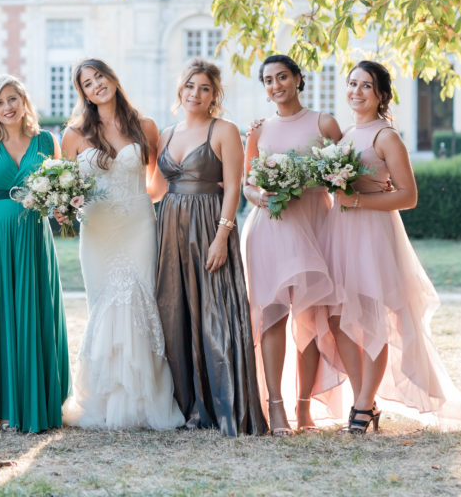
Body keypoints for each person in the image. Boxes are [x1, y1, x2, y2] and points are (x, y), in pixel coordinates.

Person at [325, 60, 461, 434]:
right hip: (339, 231)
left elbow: (409, 196)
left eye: (366, 85)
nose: (356, 91)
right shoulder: (346, 134)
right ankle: (366, 399)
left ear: (381, 95)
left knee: (372, 319)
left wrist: (358, 200)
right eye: (352, 83)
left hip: (372, 233)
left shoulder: (386, 137)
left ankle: (362, 405)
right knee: (337, 317)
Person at [60, 59, 183, 430]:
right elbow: (66, 189)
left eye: (100, 76)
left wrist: (132, 201)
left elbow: (157, 185)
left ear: (112, 78)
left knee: (139, 301)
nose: (96, 84)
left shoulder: (145, 126)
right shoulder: (74, 134)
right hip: (98, 230)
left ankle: (145, 401)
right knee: (104, 305)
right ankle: (103, 401)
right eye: (87, 82)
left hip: (137, 226)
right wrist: (67, 208)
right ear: (83, 93)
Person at [154, 59, 266, 436]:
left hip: (209, 226)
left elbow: (233, 187)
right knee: (175, 313)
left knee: (215, 313)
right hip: (170, 228)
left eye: (204, 88)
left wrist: (222, 236)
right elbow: (155, 188)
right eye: (190, 86)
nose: (195, 94)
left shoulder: (224, 130)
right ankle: (186, 406)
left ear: (214, 94)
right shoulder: (166, 133)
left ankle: (225, 406)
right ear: (180, 89)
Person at [0, 74, 70, 433]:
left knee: (31, 311)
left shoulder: (47, 141)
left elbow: (57, 188)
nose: (7, 107)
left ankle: (30, 403)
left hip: (32, 235)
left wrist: (61, 207)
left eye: (12, 99)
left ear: (24, 100)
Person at [241, 53, 343, 435]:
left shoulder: (324, 123)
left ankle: (305, 407)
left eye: (282, 77)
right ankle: (276, 406)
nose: (276, 85)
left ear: (298, 78)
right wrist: (259, 196)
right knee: (273, 315)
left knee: (311, 317)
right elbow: (247, 183)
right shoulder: (258, 130)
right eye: (268, 80)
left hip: (315, 224)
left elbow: (343, 172)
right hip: (271, 227)